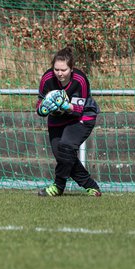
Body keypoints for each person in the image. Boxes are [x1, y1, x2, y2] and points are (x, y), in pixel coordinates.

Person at [36, 46, 102, 197]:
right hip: (58, 119)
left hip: (82, 117)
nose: (59, 73)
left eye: (63, 70)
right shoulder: (47, 78)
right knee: (61, 154)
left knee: (66, 146)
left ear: (71, 68)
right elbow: (39, 104)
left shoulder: (80, 80)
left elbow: (78, 109)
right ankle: (91, 186)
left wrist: (64, 105)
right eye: (56, 69)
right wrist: (42, 109)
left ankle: (58, 187)